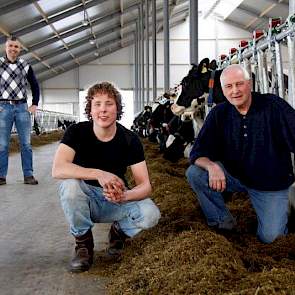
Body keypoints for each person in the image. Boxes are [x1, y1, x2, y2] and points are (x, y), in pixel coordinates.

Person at [52, 81, 160, 273]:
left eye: (109, 104)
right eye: (97, 104)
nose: (103, 110)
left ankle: (118, 233)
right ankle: (83, 244)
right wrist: (98, 173)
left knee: (151, 214)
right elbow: (58, 169)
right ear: (90, 109)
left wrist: (125, 196)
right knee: (69, 185)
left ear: (117, 108)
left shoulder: (129, 139)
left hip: (115, 198)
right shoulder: (77, 132)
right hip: (85, 200)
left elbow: (145, 186)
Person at [186, 64, 295, 244]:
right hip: (234, 176)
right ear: (222, 89)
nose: (235, 91)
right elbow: (198, 152)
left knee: (272, 239)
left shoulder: (274, 106)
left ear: (249, 84)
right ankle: (222, 222)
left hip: (270, 184)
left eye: (239, 84)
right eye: (229, 86)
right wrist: (211, 166)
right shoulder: (218, 113)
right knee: (195, 173)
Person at [0, 36, 39, 185]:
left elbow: (35, 85)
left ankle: (28, 175)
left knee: (26, 144)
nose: (13, 49)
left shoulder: (25, 65)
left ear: (20, 49)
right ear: (6, 47)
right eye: (11, 46)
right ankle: (1, 176)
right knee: (2, 144)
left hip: (22, 107)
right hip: (3, 107)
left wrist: (34, 103)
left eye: (16, 47)